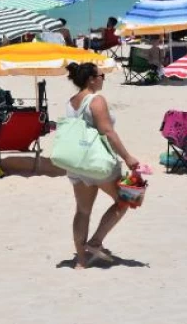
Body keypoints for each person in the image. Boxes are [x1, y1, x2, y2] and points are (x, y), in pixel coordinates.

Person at [63, 62, 139, 269]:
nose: (103, 78)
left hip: (77, 163)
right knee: (125, 200)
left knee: (82, 210)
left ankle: (80, 261)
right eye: (101, 75)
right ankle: (95, 242)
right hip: (97, 162)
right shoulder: (96, 100)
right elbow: (107, 131)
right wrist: (127, 157)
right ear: (91, 79)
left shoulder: (72, 102)